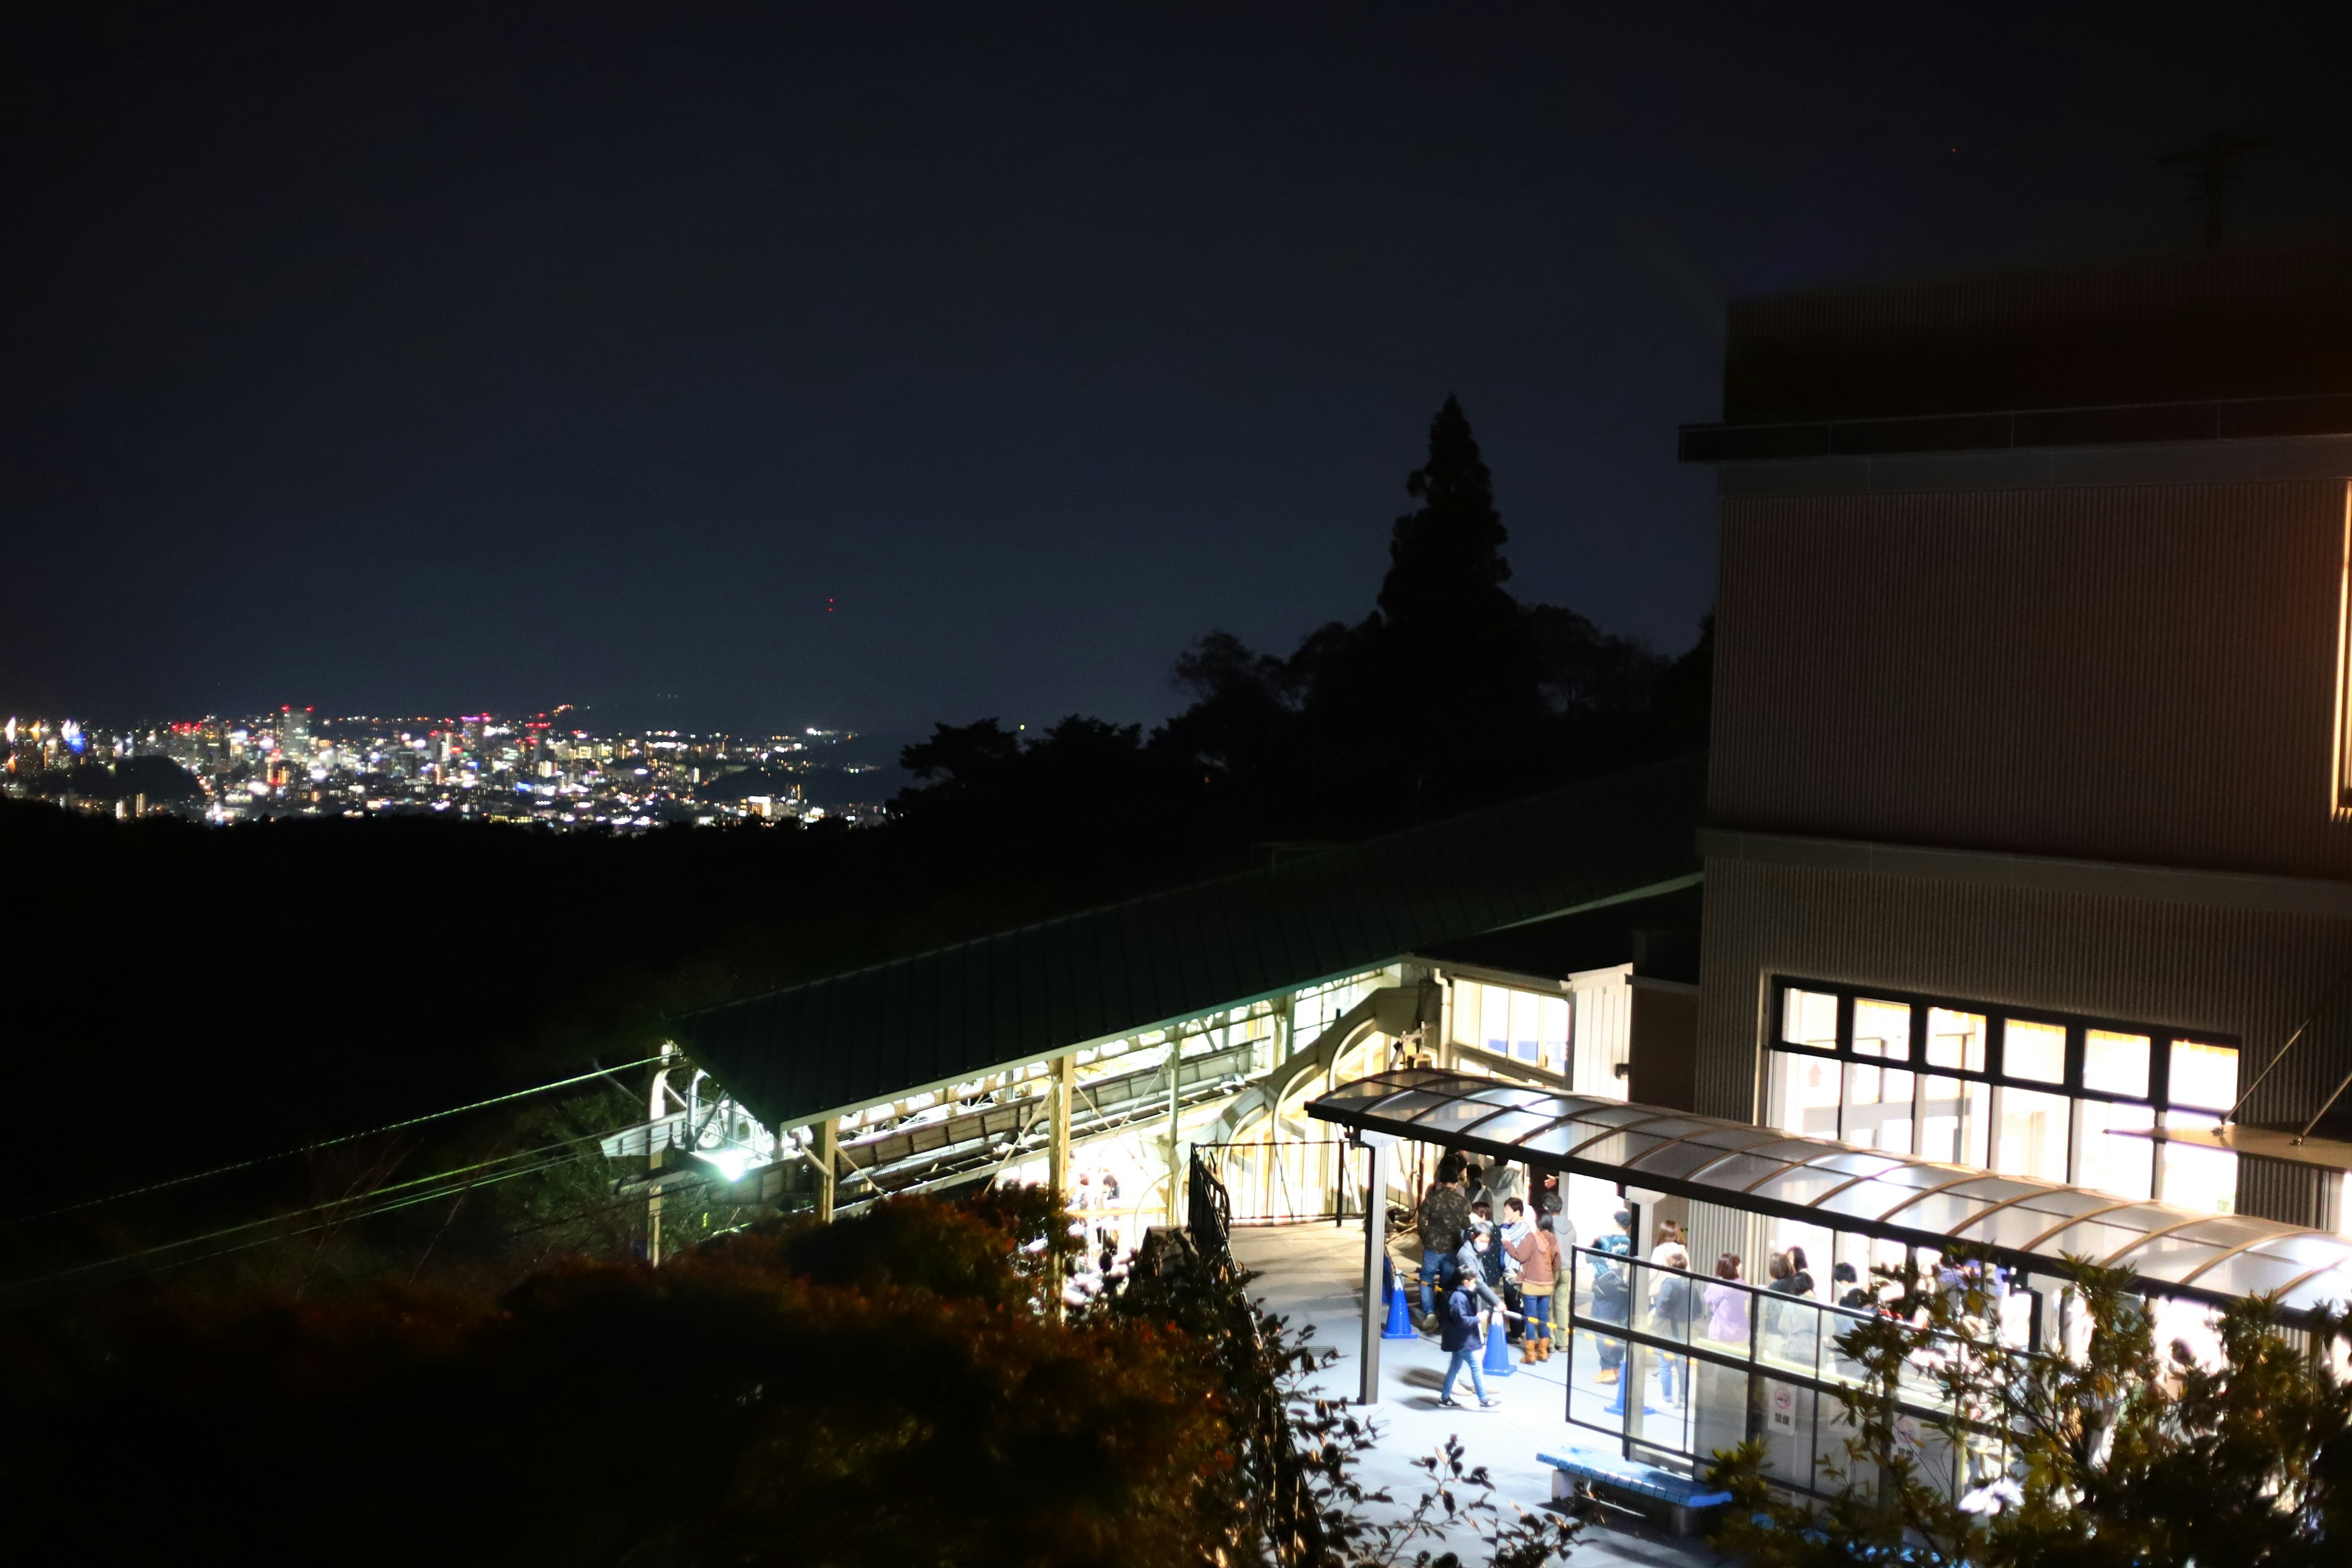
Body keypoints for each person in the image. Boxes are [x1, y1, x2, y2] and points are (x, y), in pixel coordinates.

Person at [1438, 1263, 1501, 1409]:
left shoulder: (1458, 1294)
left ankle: (1445, 1397)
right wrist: (1478, 1318)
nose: (1475, 1284)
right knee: (1476, 1368)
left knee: (1454, 1368)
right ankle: (1484, 1399)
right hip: (1465, 1340)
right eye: (1473, 1281)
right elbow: (1462, 1320)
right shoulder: (1459, 1298)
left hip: (1459, 1339)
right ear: (1465, 1282)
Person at [1416, 1157, 1470, 1325]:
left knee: (1426, 1278)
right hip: (1453, 1247)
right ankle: (1443, 1311)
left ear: (1441, 1181)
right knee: (1447, 1281)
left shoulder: (1432, 1199)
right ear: (1455, 1183)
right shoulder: (1463, 1202)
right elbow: (1466, 1224)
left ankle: (1429, 1313)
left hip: (1432, 1246)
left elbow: (1421, 1220)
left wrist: (1425, 1236)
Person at [1506, 1210, 1561, 1362]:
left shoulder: (1532, 1237)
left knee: (1530, 1318)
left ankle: (1530, 1354)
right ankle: (1543, 1351)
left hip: (1532, 1283)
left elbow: (1520, 1256)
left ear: (1537, 1222)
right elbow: (1557, 1262)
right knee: (1544, 1317)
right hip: (1547, 1284)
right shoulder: (1553, 1239)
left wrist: (1507, 1245)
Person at [1649, 1227, 1693, 1403]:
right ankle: (1683, 1397)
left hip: (1662, 1296)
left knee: (1664, 1354)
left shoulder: (1660, 1250)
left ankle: (1667, 1397)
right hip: (1683, 1313)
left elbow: (1652, 1272)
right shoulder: (1683, 1251)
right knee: (1682, 1361)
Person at [1590, 1208, 1634, 1384]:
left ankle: (1607, 1369)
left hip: (1604, 1293)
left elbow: (1588, 1257)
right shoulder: (1632, 1243)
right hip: (1624, 1293)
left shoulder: (1604, 1240)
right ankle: (1617, 1368)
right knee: (1619, 1331)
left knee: (1602, 1329)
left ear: (1615, 1221)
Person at [1702, 1254, 1749, 1347]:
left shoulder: (1716, 1285)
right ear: (1736, 1268)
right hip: (1739, 1333)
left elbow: (1707, 1299)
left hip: (1718, 1332)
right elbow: (1747, 1296)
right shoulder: (1743, 1285)